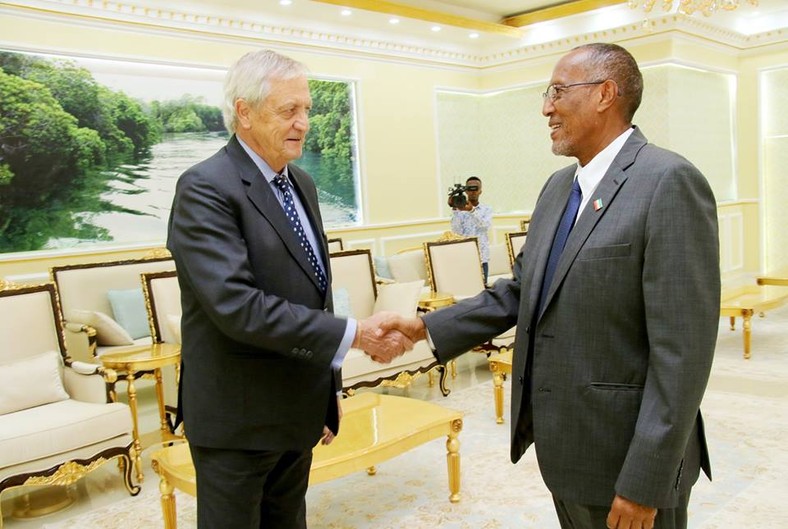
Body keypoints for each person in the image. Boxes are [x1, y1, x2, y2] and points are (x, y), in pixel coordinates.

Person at [380, 42, 719, 529]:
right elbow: (520, 291)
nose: (546, 107)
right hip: (567, 453)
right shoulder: (559, 188)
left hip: (629, 462)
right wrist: (424, 328)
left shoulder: (669, 182)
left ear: (605, 94)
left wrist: (645, 480)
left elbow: (683, 354)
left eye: (558, 91)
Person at [167, 49, 409, 529]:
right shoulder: (204, 188)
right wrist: (356, 334)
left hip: (297, 414)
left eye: (307, 110)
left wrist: (324, 392)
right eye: (288, 111)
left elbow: (313, 294)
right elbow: (238, 307)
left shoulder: (301, 183)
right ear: (244, 111)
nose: (303, 122)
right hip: (238, 421)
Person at [449, 176, 493, 284]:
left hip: (482, 256)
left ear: (480, 191)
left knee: (483, 287)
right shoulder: (459, 210)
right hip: (465, 255)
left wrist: (472, 211)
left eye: (475, 189)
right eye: (470, 189)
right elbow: (456, 232)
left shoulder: (486, 209)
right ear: (466, 191)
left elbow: (485, 226)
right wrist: (456, 210)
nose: (473, 192)